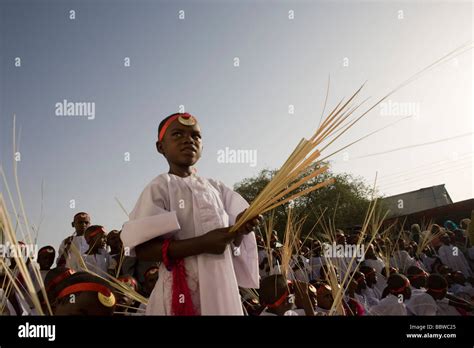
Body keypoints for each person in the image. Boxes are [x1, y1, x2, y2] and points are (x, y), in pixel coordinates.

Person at [120, 112, 261, 315]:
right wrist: (201, 244)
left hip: (222, 285)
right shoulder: (160, 186)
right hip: (182, 290)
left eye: (196, 136)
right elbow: (144, 249)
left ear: (202, 146)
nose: (189, 140)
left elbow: (232, 244)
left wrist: (241, 228)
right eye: (178, 134)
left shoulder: (217, 188)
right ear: (161, 147)